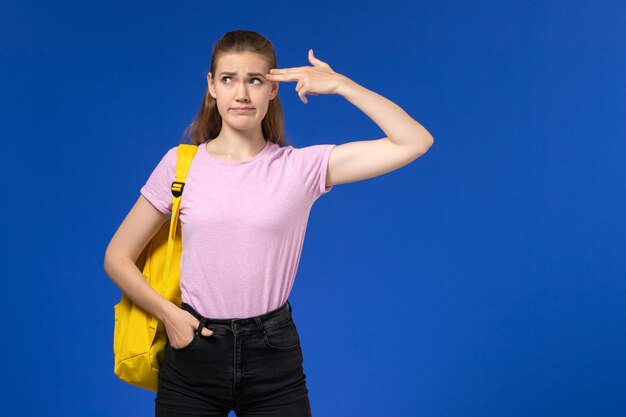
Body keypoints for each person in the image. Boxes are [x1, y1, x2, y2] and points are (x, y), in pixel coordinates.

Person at [103, 29, 434, 417]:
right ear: (211, 86)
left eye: (255, 80)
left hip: (273, 355)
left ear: (272, 89)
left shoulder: (301, 168)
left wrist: (343, 85)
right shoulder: (180, 165)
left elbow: (414, 141)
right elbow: (117, 257)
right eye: (228, 79)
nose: (241, 94)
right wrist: (171, 316)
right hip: (193, 349)